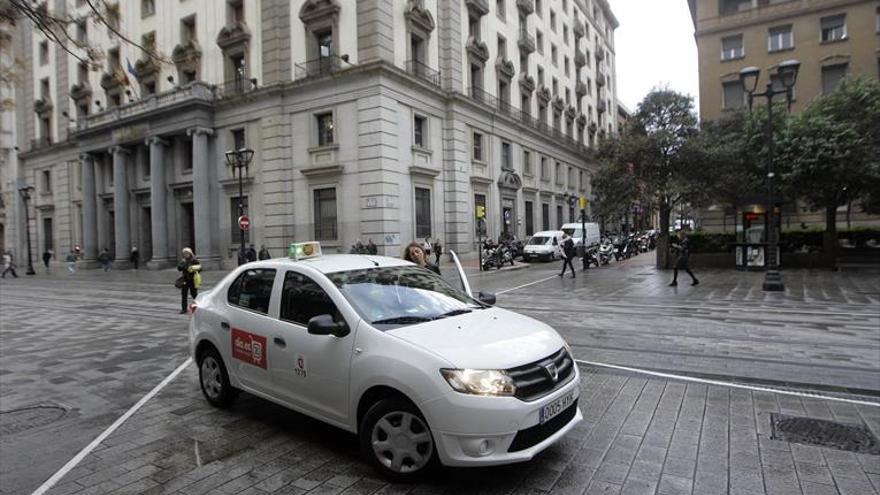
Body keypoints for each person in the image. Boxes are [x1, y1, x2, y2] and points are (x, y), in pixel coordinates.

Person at [177, 247, 202, 314]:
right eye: (184, 253)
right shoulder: (183, 260)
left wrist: (193, 269)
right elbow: (179, 268)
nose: (185, 254)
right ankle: (184, 309)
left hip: (192, 280)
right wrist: (181, 266)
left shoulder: (194, 260)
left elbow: (200, 268)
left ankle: (198, 307)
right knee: (184, 294)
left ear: (190, 253)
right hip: (185, 280)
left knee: (194, 294)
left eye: (187, 253)